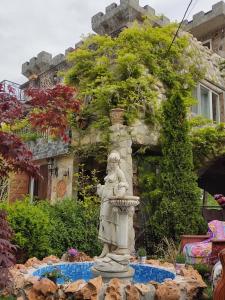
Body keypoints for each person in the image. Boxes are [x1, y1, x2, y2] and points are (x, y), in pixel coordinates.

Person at [97, 151, 128, 258]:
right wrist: (100, 189)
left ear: (117, 162)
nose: (112, 164)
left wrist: (120, 191)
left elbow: (124, 184)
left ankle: (110, 247)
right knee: (103, 222)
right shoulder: (110, 173)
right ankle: (106, 247)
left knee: (109, 223)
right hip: (105, 200)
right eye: (111, 162)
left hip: (112, 202)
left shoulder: (119, 172)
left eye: (114, 162)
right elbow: (106, 188)